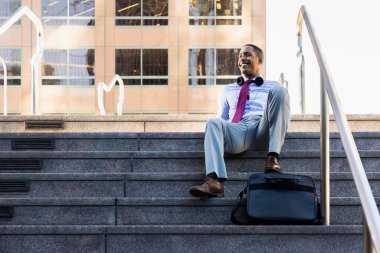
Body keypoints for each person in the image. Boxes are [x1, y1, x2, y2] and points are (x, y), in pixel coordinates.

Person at [189, 44, 290, 198]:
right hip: (238, 130)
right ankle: (215, 181)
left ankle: (272, 158)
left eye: (247, 54)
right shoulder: (228, 89)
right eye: (240, 56)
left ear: (260, 60)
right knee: (213, 123)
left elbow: (280, 115)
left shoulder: (272, 86)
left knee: (280, 90)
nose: (243, 58)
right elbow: (222, 119)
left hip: (263, 128)